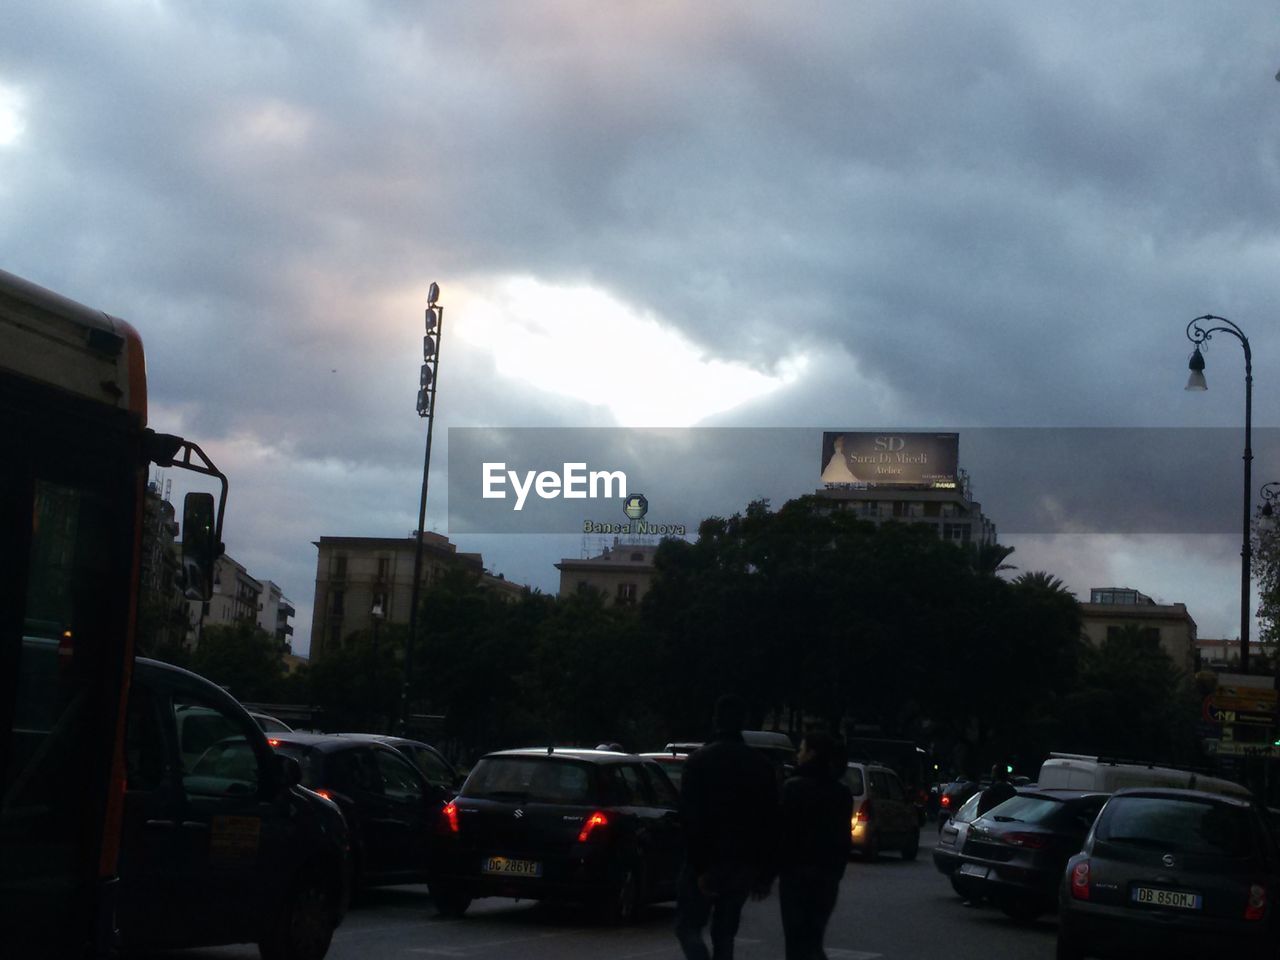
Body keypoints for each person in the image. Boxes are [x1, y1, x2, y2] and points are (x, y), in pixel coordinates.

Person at [675, 695, 780, 960]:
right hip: (744, 862)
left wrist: (698, 865)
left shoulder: (699, 761)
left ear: (716, 720)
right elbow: (770, 822)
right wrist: (765, 873)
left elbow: (690, 818)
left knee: (688, 927)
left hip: (708, 859)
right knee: (725, 933)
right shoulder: (762, 766)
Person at [778, 729, 853, 960]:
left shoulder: (793, 787)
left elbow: (784, 833)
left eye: (801, 750)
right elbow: (843, 839)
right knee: (813, 938)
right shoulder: (841, 793)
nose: (797, 755)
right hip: (826, 876)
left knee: (796, 940)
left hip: (796, 874)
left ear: (811, 754)